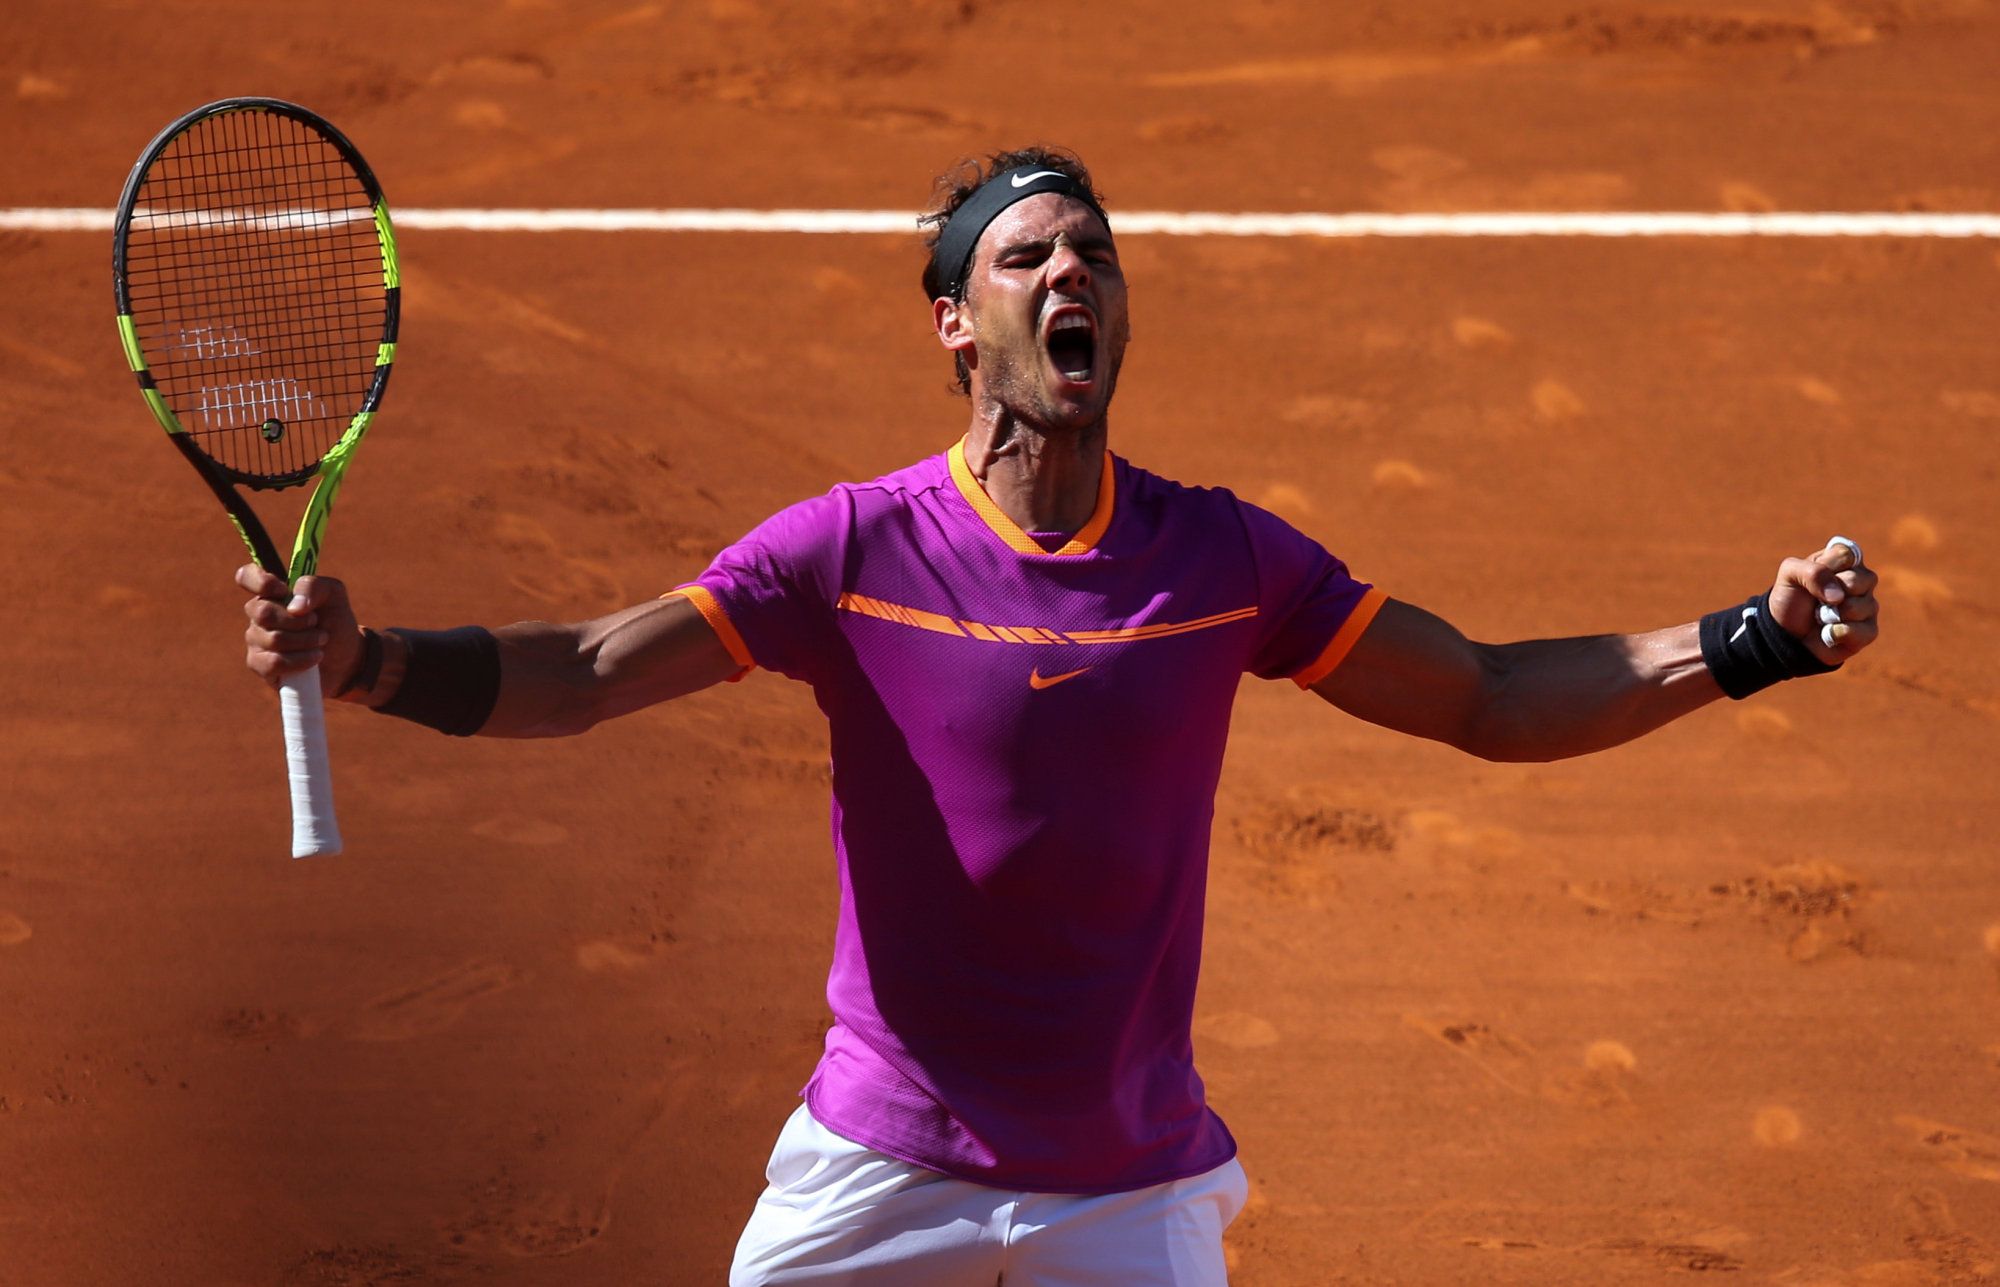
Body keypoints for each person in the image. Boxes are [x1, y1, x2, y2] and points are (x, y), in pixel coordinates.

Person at [237, 147, 1881, 1285]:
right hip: (881, 1167)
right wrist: (373, 661)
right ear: (958, 321)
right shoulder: (853, 553)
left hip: (1132, 1187)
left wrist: (1752, 642)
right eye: (1026, 255)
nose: (1069, 271)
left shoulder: (1222, 559)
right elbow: (589, 669)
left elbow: (1492, 696)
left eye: (1092, 252)